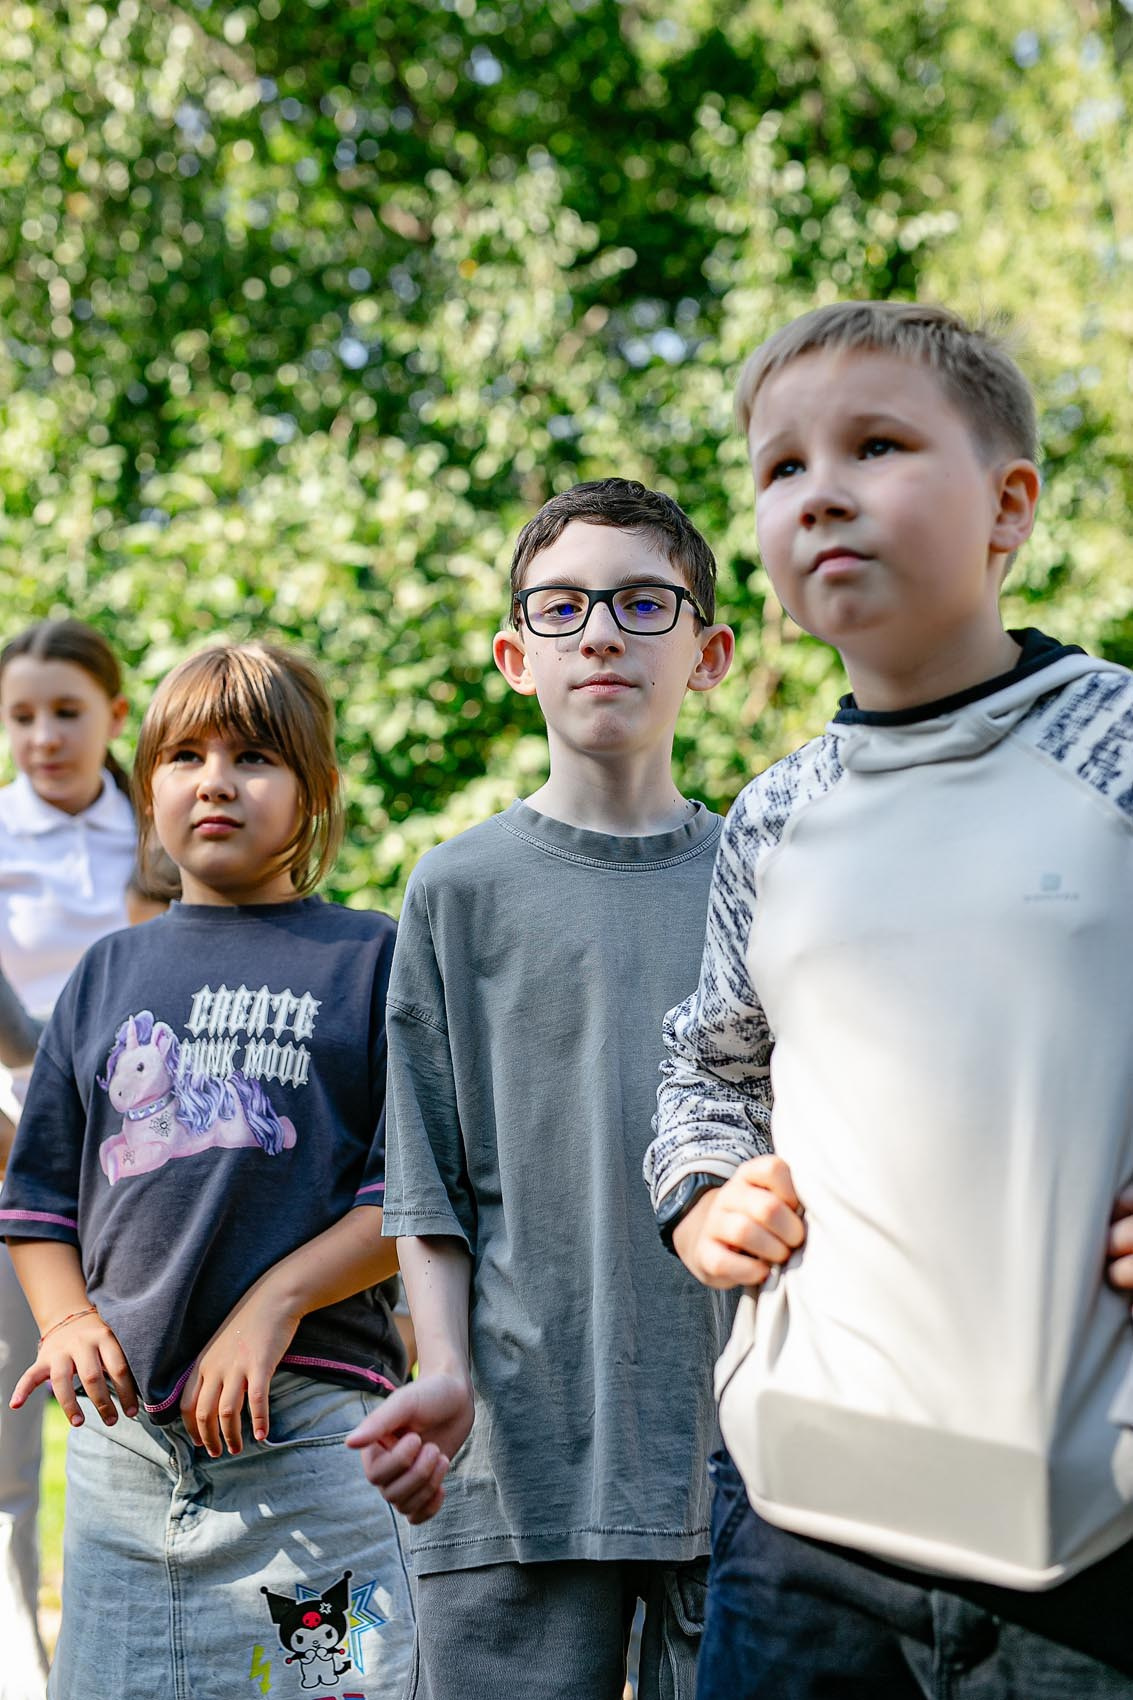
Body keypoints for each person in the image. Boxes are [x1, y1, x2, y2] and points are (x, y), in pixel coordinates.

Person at [646, 299, 1133, 1697]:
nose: (822, 493)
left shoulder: (1115, 750)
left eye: (874, 444)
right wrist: (701, 1190)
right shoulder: (774, 819)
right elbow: (708, 1070)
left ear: (1008, 504)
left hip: (1090, 1528)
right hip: (804, 1522)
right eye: (780, 467)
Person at [348, 478, 736, 1700]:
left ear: (709, 652)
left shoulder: (767, 873)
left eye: (640, 601)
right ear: (517, 655)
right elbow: (426, 1175)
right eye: (561, 607)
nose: (602, 632)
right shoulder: (454, 886)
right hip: (511, 1455)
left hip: (738, 1459)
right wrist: (444, 1365)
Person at [2, 641, 414, 1699]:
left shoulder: (369, 958)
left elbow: (407, 1191)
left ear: (314, 790)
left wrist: (272, 1303)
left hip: (313, 1436)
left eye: (255, 756)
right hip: (123, 1452)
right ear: (149, 787)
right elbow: (38, 1201)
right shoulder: (107, 972)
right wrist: (66, 1322)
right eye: (184, 754)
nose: (215, 779)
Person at [0, 617, 135, 1700]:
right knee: (8, 1438)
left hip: (145, 1153)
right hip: (12, 1153)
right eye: (21, 716)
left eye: (65, 712)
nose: (43, 737)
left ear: (114, 717)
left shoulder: (165, 829)